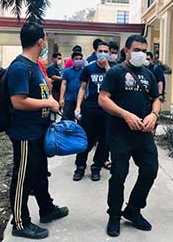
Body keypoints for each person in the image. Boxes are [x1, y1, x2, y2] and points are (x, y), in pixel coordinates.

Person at [6, 22, 68, 239]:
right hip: (25, 133)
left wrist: (48, 96)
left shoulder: (34, 66)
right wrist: (48, 104)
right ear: (40, 41)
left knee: (40, 173)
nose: (46, 41)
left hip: (38, 131)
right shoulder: (20, 67)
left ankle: (47, 209)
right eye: (45, 37)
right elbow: (18, 101)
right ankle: (20, 222)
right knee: (23, 177)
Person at [99, 34, 161, 237]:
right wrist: (125, 115)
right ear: (126, 51)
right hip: (120, 134)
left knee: (150, 170)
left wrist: (154, 114)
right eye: (137, 50)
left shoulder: (149, 74)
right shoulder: (115, 72)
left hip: (143, 134)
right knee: (118, 175)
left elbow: (156, 99)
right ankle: (114, 215)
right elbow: (103, 99)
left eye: (144, 50)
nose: (141, 54)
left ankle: (133, 209)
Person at [73, 41, 111, 182]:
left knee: (104, 140)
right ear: (95, 52)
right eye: (100, 51)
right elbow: (83, 88)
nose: (103, 53)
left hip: (106, 109)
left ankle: (96, 167)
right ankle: (80, 166)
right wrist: (78, 106)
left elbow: (115, 86)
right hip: (90, 107)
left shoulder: (113, 70)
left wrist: (107, 67)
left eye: (106, 51)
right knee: (86, 139)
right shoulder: (89, 69)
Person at [60, 51, 84, 120]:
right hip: (69, 99)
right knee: (66, 119)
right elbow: (64, 84)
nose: (78, 60)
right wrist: (61, 98)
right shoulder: (67, 71)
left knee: (81, 120)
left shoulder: (84, 71)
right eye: (76, 59)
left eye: (80, 59)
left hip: (81, 100)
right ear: (72, 60)